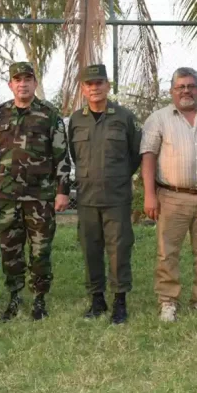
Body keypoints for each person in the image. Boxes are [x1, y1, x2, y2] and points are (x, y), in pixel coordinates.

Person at [0, 61, 71, 321]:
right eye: (17, 79)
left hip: (40, 197)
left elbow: (61, 155)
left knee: (39, 251)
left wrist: (62, 191)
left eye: (27, 79)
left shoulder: (49, 114)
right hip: (7, 197)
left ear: (35, 83)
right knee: (10, 250)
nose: (22, 84)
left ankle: (39, 299)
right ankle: (13, 297)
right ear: (10, 84)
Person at [140, 67, 197, 322]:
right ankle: (168, 301)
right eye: (180, 87)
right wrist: (149, 195)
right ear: (172, 91)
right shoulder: (158, 119)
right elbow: (148, 157)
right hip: (171, 196)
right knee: (168, 252)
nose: (186, 91)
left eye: (190, 86)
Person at [67, 64, 141, 324]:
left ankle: (120, 301)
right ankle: (97, 299)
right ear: (83, 89)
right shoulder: (76, 120)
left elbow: (135, 155)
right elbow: (75, 155)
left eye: (99, 83)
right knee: (90, 249)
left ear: (108, 86)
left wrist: (116, 176)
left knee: (119, 249)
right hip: (87, 197)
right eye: (89, 84)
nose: (95, 88)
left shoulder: (124, 117)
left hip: (116, 197)